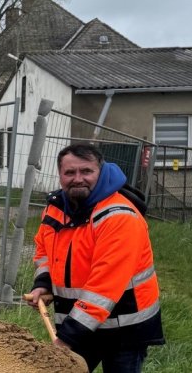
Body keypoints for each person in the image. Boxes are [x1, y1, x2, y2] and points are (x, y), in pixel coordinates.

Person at [27, 143, 164, 372]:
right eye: (70, 172)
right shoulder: (55, 210)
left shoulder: (119, 217)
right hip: (80, 321)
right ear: (60, 175)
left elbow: (104, 287)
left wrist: (67, 337)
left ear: (100, 172)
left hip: (124, 328)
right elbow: (44, 252)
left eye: (86, 171)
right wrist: (43, 284)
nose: (78, 178)